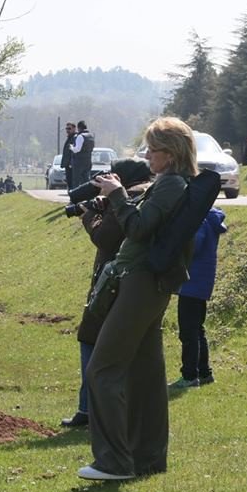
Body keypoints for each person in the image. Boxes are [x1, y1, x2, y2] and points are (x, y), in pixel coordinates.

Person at [78, 116, 197, 481]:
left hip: (141, 283)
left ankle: (113, 461)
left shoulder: (171, 185)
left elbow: (139, 229)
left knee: (103, 368)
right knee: (145, 375)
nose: (147, 155)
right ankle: (147, 458)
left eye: (152, 149)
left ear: (171, 153)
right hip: (146, 283)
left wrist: (116, 195)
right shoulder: (169, 184)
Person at [60, 158, 153, 428]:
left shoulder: (129, 196)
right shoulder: (145, 193)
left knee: (90, 339)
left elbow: (105, 237)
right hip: (134, 282)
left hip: (112, 284)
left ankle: (89, 409)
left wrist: (89, 215)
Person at [170, 207, 226, 388]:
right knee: (197, 330)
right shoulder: (209, 218)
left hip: (191, 283)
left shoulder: (198, 219)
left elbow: (193, 246)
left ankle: (189, 375)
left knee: (188, 332)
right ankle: (204, 373)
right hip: (201, 282)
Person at [70, 120, 95, 189]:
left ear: (79, 128)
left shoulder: (80, 136)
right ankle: (88, 197)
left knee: (76, 181)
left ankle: (76, 197)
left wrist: (71, 147)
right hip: (88, 161)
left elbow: (77, 149)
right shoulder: (91, 136)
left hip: (79, 162)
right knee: (86, 180)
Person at [61, 122, 76, 189]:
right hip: (68, 164)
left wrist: (71, 162)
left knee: (72, 181)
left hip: (72, 164)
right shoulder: (69, 138)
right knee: (69, 181)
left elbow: (74, 152)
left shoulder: (75, 138)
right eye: (66, 129)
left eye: (69, 128)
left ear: (74, 129)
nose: (67, 130)